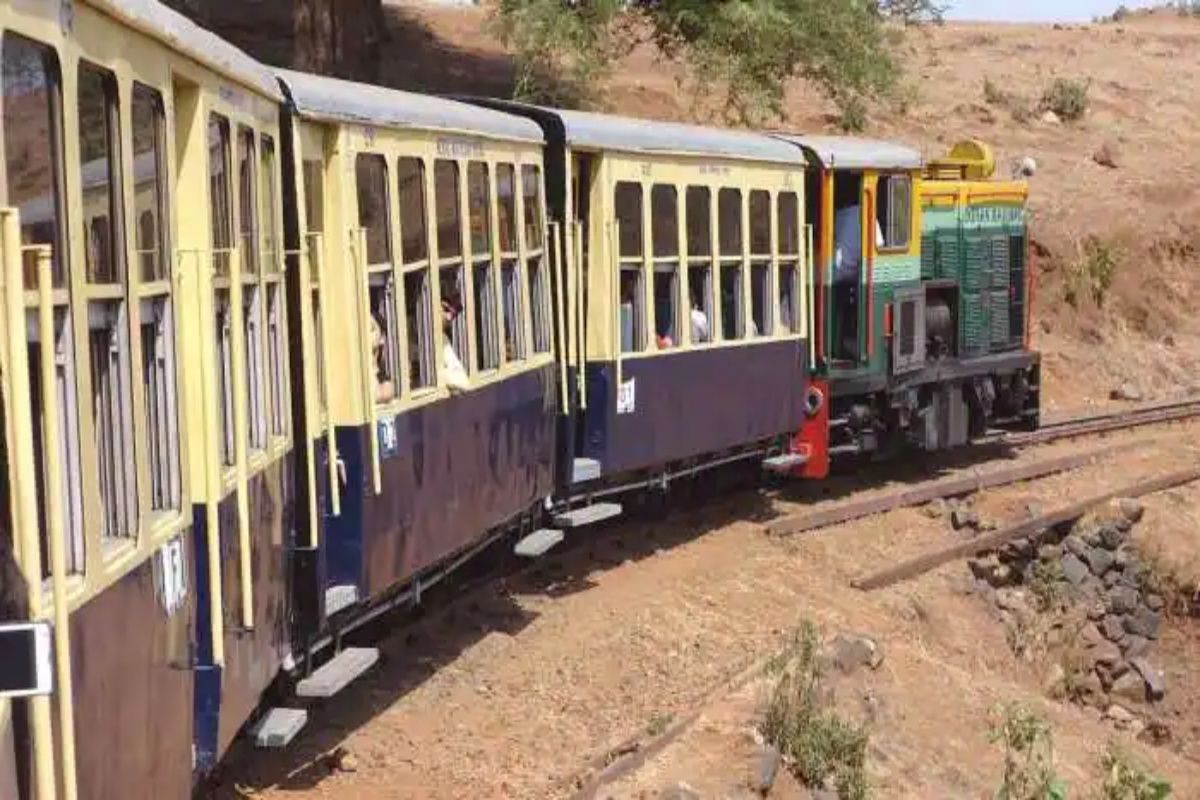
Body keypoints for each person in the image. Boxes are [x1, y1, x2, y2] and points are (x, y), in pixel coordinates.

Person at [441, 294, 469, 394]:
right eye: (445, 309)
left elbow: (460, 381)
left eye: (453, 315)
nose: (449, 318)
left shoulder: (443, 340)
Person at [369, 314, 396, 403]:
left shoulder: (385, 385)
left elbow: (375, 396)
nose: (365, 334)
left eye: (370, 329)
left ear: (382, 338)